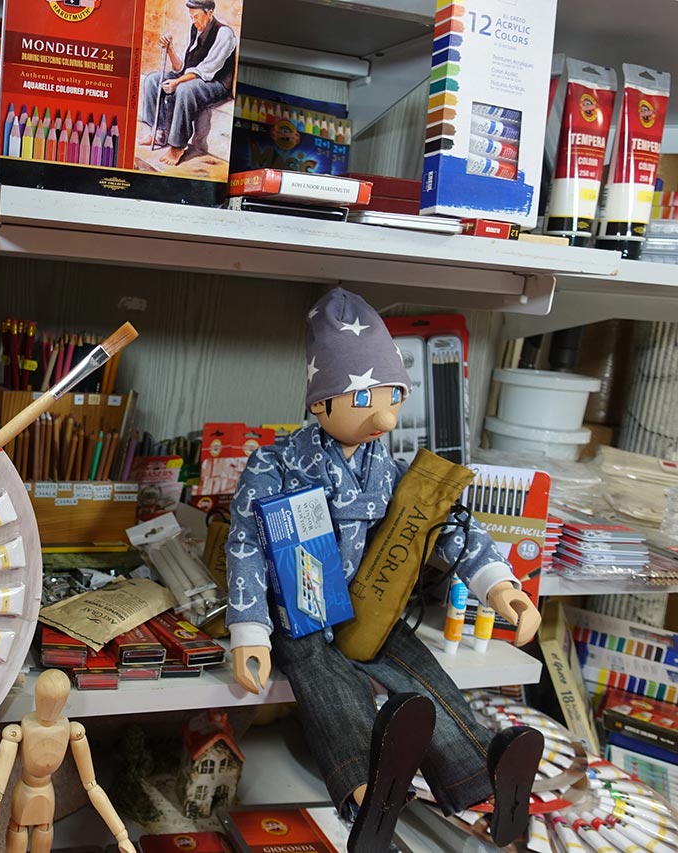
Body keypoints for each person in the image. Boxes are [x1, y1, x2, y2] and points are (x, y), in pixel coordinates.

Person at [225, 289, 544, 852]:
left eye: (393, 394)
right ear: (320, 403)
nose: (385, 415)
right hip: (300, 613)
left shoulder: (390, 470)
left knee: (419, 671)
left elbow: (445, 527)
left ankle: (484, 778)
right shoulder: (275, 464)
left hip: (370, 604)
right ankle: (368, 792)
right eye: (363, 397)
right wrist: (249, 629)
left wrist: (498, 584)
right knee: (327, 681)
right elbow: (246, 542)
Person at [138, 0, 236, 166]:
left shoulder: (224, 34)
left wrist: (177, 82)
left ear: (209, 13)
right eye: (191, 17)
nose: (194, 21)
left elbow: (206, 70)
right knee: (152, 80)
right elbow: (182, 67)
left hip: (215, 83)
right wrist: (170, 49)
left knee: (185, 89)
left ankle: (177, 146)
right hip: (191, 78)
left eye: (196, 16)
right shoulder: (194, 30)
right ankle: (160, 132)